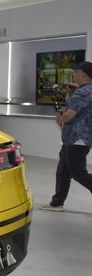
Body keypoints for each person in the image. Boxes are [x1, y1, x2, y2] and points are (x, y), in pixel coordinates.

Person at [39, 61, 92, 211]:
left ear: (83, 74)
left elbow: (70, 114)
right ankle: (57, 202)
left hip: (77, 139)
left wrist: (60, 118)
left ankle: (57, 202)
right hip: (75, 139)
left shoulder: (82, 92)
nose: (74, 74)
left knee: (78, 172)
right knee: (63, 171)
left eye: (76, 72)